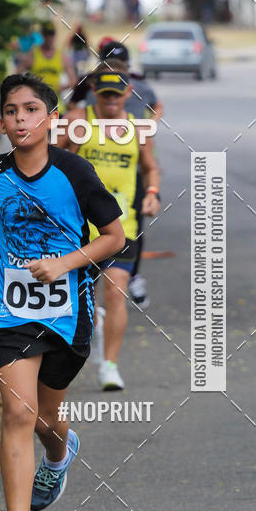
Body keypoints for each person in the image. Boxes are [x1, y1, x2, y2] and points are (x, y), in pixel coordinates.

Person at [0, 72, 124, 511]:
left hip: (66, 312)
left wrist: (64, 263)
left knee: (46, 418)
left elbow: (114, 237)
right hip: (9, 311)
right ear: (1, 121)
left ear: (51, 118)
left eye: (31, 110)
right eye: (11, 111)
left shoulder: (74, 173)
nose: (21, 120)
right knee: (17, 411)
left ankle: (59, 454)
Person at [57, 62, 161, 390]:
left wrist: (152, 193)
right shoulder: (77, 121)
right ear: (94, 92)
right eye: (105, 94)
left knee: (116, 291)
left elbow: (150, 167)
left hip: (121, 227)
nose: (111, 100)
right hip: (78, 228)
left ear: (129, 92)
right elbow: (47, 160)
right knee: (78, 297)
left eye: (117, 94)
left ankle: (110, 367)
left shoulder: (137, 128)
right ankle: (88, 327)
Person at [100, 40, 163, 309]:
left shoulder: (139, 87)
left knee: (133, 223)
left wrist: (148, 126)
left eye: (121, 65)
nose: (111, 95)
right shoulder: (89, 88)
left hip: (131, 166)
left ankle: (132, 274)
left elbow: (158, 106)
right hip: (94, 172)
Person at [19, 22, 76, 110]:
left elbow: (73, 80)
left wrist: (62, 87)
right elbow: (16, 76)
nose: (49, 38)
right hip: (35, 105)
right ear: (42, 35)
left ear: (55, 35)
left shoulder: (61, 56)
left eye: (51, 35)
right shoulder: (33, 54)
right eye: (47, 34)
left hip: (55, 105)